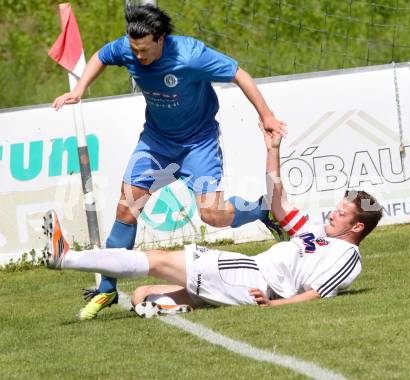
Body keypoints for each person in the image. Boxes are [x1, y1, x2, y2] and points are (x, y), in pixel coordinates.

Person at [52, 4, 287, 320]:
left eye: (145, 50)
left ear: (161, 39)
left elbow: (238, 73)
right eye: (134, 50)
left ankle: (262, 209)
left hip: (198, 143)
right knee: (126, 208)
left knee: (213, 215)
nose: (138, 57)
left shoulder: (191, 55)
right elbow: (101, 56)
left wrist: (267, 115)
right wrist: (80, 89)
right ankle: (106, 288)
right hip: (156, 143)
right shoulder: (128, 47)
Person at [42, 131, 383, 318]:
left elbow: (316, 293)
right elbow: (277, 200)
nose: (332, 214)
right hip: (246, 279)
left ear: (355, 228)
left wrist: (273, 305)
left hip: (251, 277)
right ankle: (164, 307)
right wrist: (273, 148)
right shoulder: (315, 235)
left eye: (341, 213)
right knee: (143, 293)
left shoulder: (348, 257)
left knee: (159, 259)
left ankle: (66, 257)